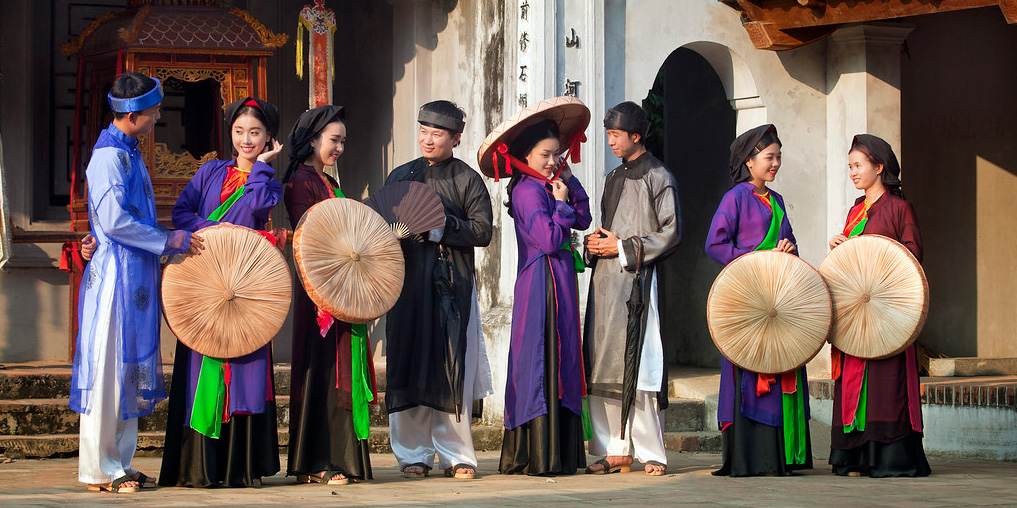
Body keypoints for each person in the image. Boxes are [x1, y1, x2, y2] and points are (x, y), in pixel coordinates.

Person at [70, 71, 200, 493]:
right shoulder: (108, 156)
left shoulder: (129, 151)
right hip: (113, 281)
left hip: (132, 274)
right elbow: (113, 221)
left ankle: (120, 463)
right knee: (107, 373)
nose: (159, 116)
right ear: (133, 115)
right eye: (155, 110)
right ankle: (99, 469)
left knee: (125, 374)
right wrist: (166, 239)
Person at [159, 97, 285, 488]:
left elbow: (257, 207)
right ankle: (200, 467)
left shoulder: (268, 181)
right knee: (201, 362)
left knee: (245, 369)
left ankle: (240, 467)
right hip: (204, 284)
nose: (246, 140)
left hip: (246, 287)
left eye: (255, 133)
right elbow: (182, 213)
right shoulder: (210, 171)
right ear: (229, 133)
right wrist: (213, 232)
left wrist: (262, 169)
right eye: (239, 131)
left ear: (268, 138)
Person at [384, 100, 494, 480]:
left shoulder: (467, 179)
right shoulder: (401, 175)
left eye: (438, 134)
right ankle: (412, 453)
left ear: (456, 138)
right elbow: (382, 226)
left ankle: (456, 454)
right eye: (424, 131)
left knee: (450, 366)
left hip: (450, 284)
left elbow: (483, 231)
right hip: (405, 282)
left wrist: (440, 225)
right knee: (408, 362)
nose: (428, 139)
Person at [705, 124, 812, 477]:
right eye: (770, 157)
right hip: (748, 297)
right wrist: (755, 257)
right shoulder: (734, 198)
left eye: (778, 156)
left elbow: (790, 242)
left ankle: (779, 456)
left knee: (783, 363)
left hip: (776, 299)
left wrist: (787, 249)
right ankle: (749, 456)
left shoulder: (777, 201)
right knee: (749, 369)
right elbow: (715, 245)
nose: (776, 163)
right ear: (749, 162)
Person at [582, 101, 680, 476]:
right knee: (603, 364)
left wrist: (623, 247)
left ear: (636, 136)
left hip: (640, 282)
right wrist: (595, 243)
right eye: (608, 134)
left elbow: (671, 232)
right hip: (607, 284)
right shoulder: (613, 177)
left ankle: (652, 451)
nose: (609, 141)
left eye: (615, 134)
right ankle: (614, 449)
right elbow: (609, 226)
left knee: (641, 365)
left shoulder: (659, 176)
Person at [283, 105, 379, 486]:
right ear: (312, 140)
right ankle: (313, 461)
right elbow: (311, 236)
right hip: (317, 289)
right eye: (334, 140)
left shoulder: (331, 184)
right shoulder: (300, 181)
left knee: (343, 369)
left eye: (343, 141)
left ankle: (344, 459)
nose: (339, 147)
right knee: (320, 370)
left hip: (342, 289)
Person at [827, 134, 930, 478]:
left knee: (887, 383)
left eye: (858, 166)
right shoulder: (855, 210)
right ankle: (854, 456)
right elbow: (850, 264)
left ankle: (887, 459)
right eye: (850, 167)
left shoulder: (899, 208)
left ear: (879, 167)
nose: (853, 173)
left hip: (888, 314)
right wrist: (839, 246)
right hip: (857, 313)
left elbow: (912, 257)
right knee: (855, 377)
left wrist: (883, 257)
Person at [494, 117, 592, 475]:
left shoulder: (550, 183)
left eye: (557, 155)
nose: (552, 162)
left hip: (562, 279)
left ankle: (562, 452)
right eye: (545, 155)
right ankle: (537, 453)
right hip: (540, 280)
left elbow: (584, 218)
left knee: (564, 356)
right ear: (526, 155)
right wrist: (561, 204)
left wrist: (568, 183)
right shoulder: (526, 191)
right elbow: (549, 240)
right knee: (539, 359)